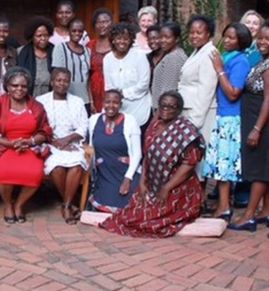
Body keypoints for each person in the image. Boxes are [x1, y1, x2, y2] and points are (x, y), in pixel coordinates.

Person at [100, 91, 205, 238]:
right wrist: (143, 183)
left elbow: (189, 165)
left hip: (177, 186)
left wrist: (166, 188)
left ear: (179, 110)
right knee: (129, 215)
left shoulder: (186, 131)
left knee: (153, 220)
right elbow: (147, 157)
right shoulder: (153, 126)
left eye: (171, 107)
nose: (166, 109)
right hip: (153, 181)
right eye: (163, 105)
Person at [228, 18, 269, 232]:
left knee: (260, 169)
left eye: (268, 39)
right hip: (257, 117)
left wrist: (257, 129)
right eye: (260, 37)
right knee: (266, 168)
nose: (262, 42)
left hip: (264, 121)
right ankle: (267, 210)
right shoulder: (263, 59)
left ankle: (249, 215)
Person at [0, 67, 53, 223]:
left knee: (36, 173)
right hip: (3, 148)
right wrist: (11, 144)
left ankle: (19, 205)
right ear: (7, 86)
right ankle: (8, 204)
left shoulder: (36, 106)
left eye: (23, 86)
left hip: (28, 148)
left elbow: (45, 131)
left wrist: (30, 141)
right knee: (5, 171)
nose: (19, 89)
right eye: (15, 85)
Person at [202, 23, 251, 220]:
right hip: (222, 115)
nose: (228, 41)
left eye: (233, 38)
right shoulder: (228, 57)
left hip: (231, 118)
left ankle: (224, 207)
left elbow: (233, 93)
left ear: (241, 41)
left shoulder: (240, 61)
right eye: (226, 37)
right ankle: (223, 205)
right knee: (220, 164)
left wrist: (220, 70)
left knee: (225, 166)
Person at [36, 68, 89, 224]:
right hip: (49, 143)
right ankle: (70, 203)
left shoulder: (77, 101)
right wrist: (55, 142)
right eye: (58, 80)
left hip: (72, 143)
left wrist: (66, 140)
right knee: (57, 167)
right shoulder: (41, 101)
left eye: (65, 80)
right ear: (52, 82)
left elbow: (83, 126)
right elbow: (38, 126)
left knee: (77, 165)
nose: (62, 83)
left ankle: (66, 205)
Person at [177, 15, 219, 178]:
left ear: (208, 34)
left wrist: (195, 122)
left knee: (197, 158)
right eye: (192, 32)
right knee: (190, 157)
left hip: (200, 113)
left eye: (199, 32)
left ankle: (198, 200)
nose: (194, 36)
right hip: (189, 110)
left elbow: (206, 91)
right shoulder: (198, 52)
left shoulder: (209, 54)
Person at [88, 90, 141, 213]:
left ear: (120, 104)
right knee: (108, 205)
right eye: (108, 102)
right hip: (104, 173)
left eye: (115, 102)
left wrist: (128, 179)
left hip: (126, 171)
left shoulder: (130, 121)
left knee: (131, 206)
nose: (111, 106)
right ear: (103, 103)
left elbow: (137, 154)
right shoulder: (94, 120)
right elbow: (88, 144)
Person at [104, 22, 151, 128]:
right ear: (113, 40)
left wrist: (123, 93)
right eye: (118, 38)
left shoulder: (139, 56)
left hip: (139, 107)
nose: (122, 42)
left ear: (131, 40)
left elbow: (144, 83)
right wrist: (115, 100)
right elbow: (108, 86)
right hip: (118, 108)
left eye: (126, 39)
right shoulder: (107, 59)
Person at [52, 19, 92, 111]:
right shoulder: (60, 48)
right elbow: (56, 74)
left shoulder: (87, 51)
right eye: (74, 31)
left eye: (80, 31)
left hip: (85, 99)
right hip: (66, 98)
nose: (77, 33)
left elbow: (88, 78)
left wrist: (91, 101)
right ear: (69, 32)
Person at [150, 22, 188, 112]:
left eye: (167, 37)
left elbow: (168, 90)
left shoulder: (174, 58)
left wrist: (159, 115)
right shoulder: (170, 54)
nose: (163, 40)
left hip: (164, 110)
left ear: (176, 39)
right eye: (161, 37)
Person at [17, 16, 54, 97]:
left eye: (46, 35)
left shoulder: (55, 52)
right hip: (27, 98)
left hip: (49, 99)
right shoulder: (21, 52)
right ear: (32, 36)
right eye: (39, 36)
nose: (43, 38)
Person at [88, 8, 113, 114]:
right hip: (94, 92)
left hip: (112, 89)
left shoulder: (118, 43)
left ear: (111, 23)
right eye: (99, 22)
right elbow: (87, 76)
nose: (103, 25)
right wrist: (90, 100)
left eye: (106, 22)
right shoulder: (90, 45)